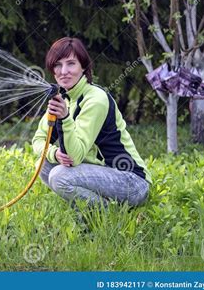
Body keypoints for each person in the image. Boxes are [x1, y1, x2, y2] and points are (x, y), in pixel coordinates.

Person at [32, 37, 151, 208]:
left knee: (60, 176)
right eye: (58, 65)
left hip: (132, 182)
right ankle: (96, 208)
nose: (63, 71)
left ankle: (106, 214)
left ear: (84, 67)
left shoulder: (96, 99)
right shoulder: (64, 98)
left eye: (71, 63)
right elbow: (38, 140)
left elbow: (73, 158)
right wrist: (55, 153)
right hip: (102, 175)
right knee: (43, 164)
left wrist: (65, 119)